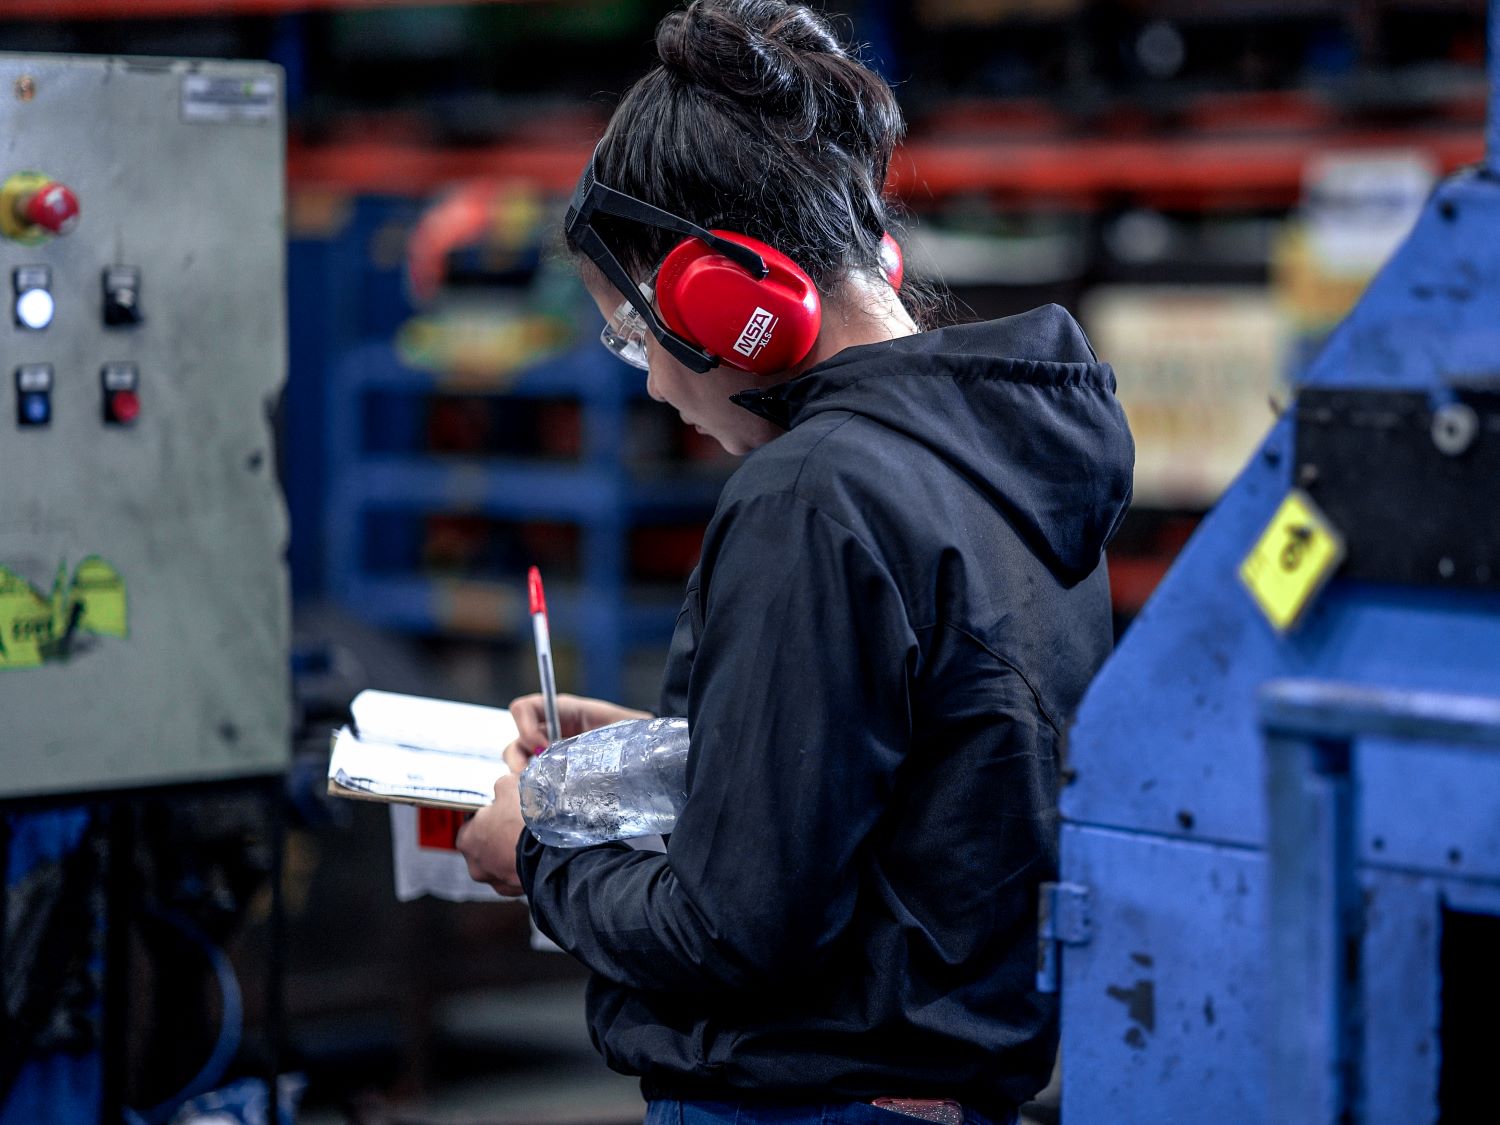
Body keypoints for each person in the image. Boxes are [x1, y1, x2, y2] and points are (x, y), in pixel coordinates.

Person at [456, 2, 1134, 1123]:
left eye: (635, 335)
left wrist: (535, 851)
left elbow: (731, 929)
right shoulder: (1013, 459)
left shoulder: (813, 493)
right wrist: (680, 751)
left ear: (725, 301)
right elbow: (922, 777)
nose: (652, 382)